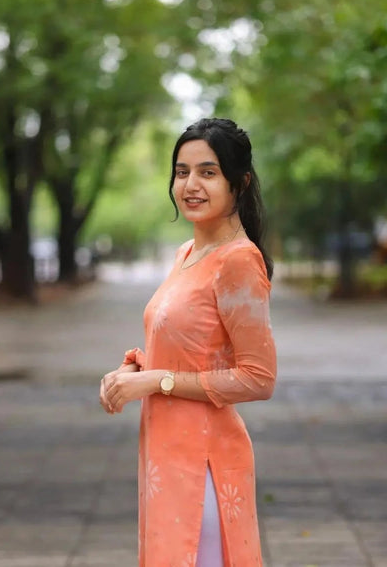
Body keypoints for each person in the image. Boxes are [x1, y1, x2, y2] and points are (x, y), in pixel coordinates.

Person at [99, 117, 277, 566]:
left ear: (240, 182)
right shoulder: (187, 253)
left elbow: (258, 378)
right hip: (165, 456)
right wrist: (132, 372)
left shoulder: (238, 261)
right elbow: (186, 347)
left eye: (208, 172)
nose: (191, 184)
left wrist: (157, 382)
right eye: (182, 172)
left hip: (205, 465)